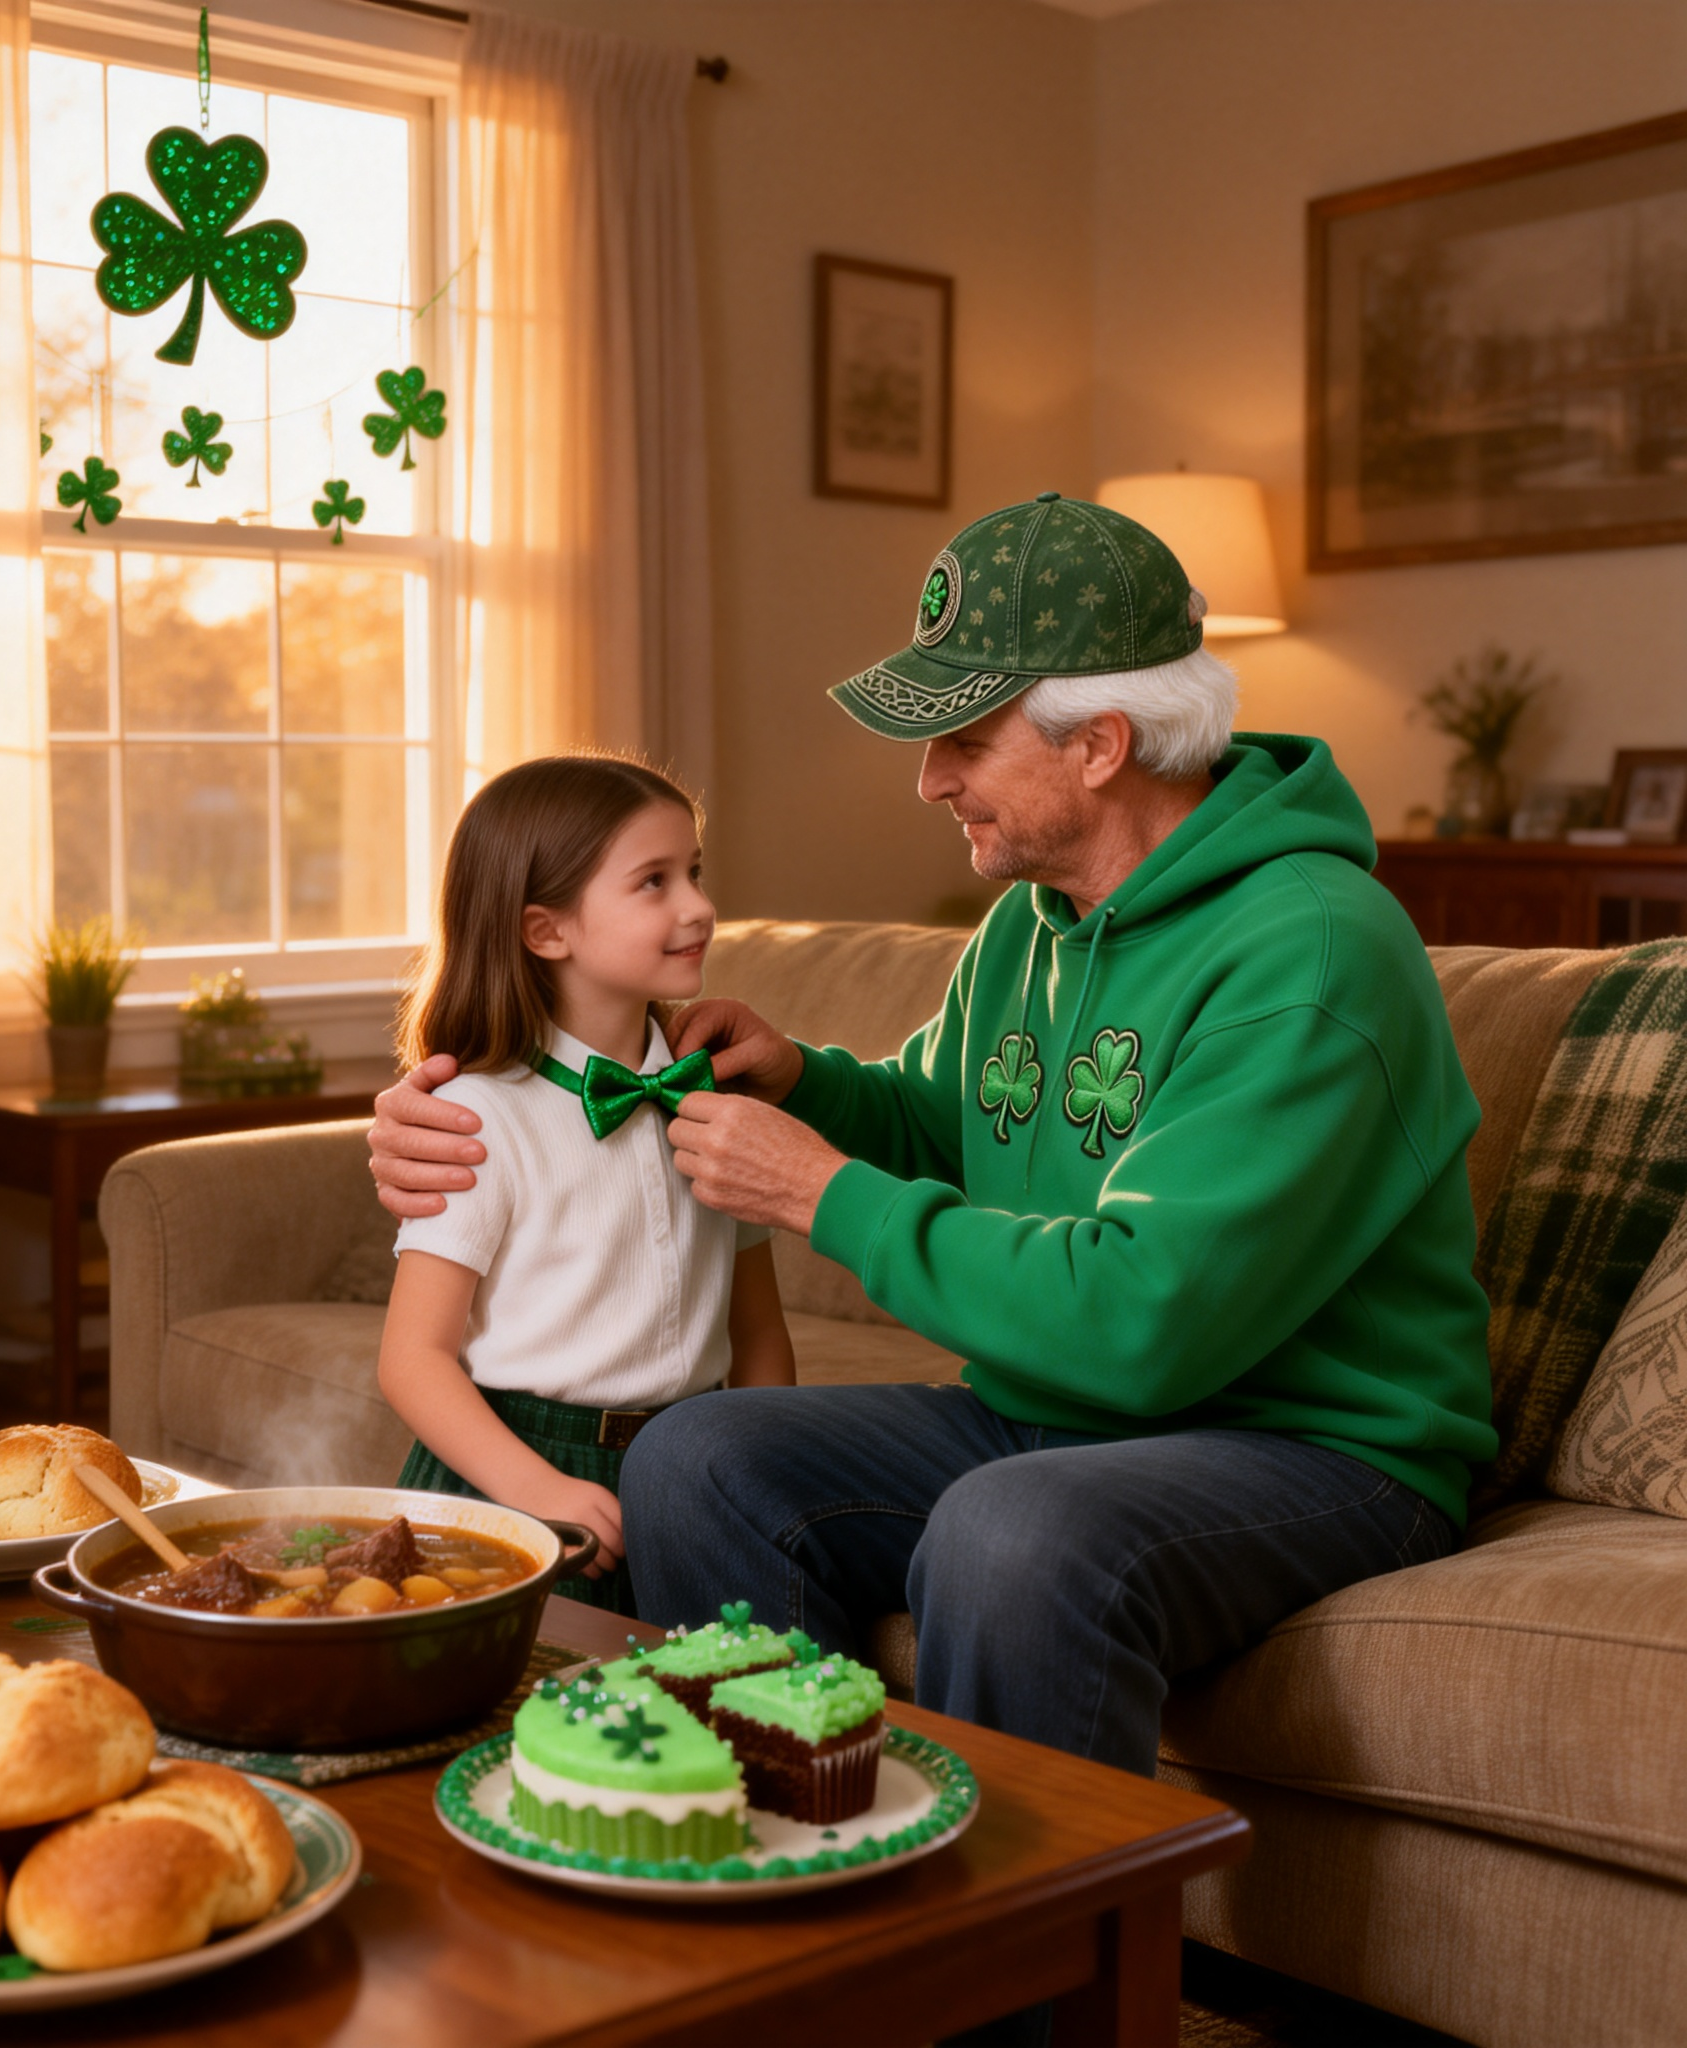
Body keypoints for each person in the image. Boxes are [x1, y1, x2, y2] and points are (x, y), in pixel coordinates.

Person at [369, 492, 1496, 1772]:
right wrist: (801, 1081)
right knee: (695, 1458)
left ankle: (1003, 1909)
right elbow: (945, 1121)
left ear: (1099, 745)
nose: (928, 780)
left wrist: (817, 1188)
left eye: (961, 737)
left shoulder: (1313, 949)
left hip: (1308, 1446)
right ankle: (794, 1830)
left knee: (1014, 1532)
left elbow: (1141, 1322)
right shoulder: (1032, 919)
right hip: (1055, 1416)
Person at [376, 753, 795, 1615]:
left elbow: (758, 1333)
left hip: (700, 1464)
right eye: (654, 882)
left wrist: (768, 1470)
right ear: (546, 931)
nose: (698, 906)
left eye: (694, 872)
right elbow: (413, 1359)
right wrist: (540, 1489)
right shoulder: (476, 1117)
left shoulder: (719, 1106)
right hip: (519, 1480)